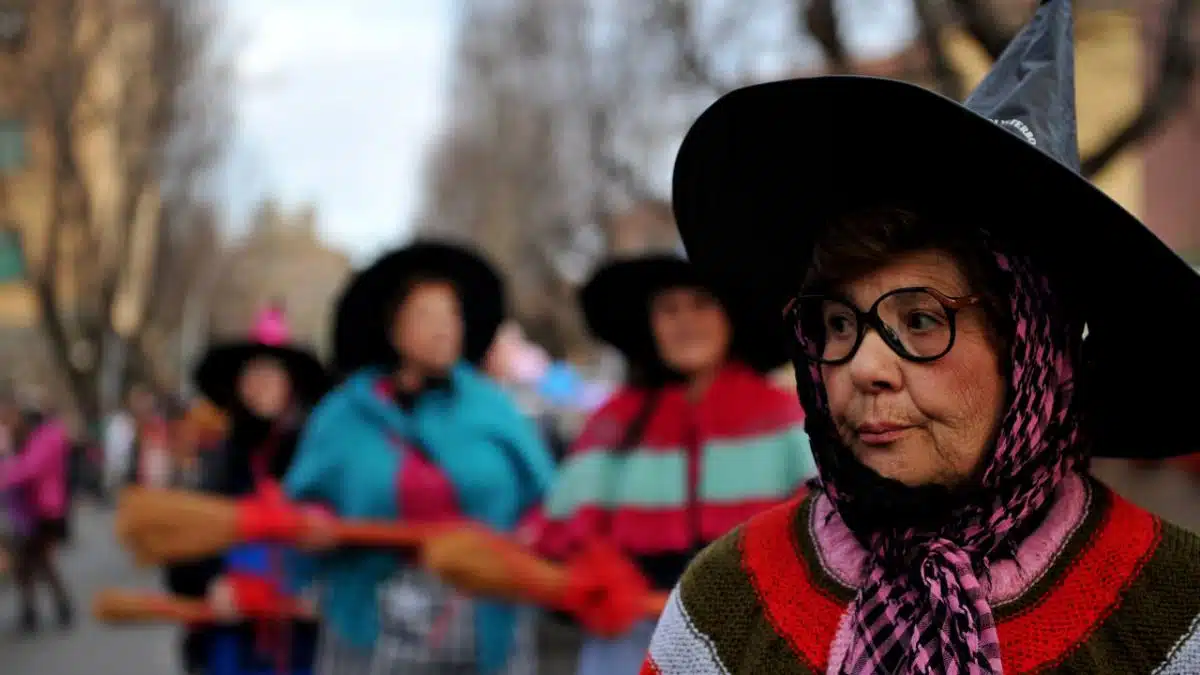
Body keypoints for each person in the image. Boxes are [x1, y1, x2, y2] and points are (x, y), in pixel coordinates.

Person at [640, 1, 1200, 673]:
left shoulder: (1177, 612)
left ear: (1031, 354)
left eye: (921, 320)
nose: (864, 366)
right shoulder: (724, 604)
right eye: (838, 323)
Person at [284, 240, 557, 675]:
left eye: (452, 316)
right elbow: (303, 501)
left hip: (482, 609)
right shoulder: (344, 414)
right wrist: (312, 525)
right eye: (426, 315)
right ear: (393, 328)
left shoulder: (492, 408)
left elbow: (544, 497)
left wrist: (531, 535)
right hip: (371, 617)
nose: (444, 329)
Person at [535, 252, 815, 675]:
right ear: (650, 324)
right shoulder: (612, 423)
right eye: (669, 309)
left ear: (730, 316)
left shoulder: (783, 418)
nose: (686, 322)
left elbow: (819, 535)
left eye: (701, 304)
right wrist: (594, 575)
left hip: (754, 638)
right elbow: (562, 538)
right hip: (629, 642)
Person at [168, 305, 330, 675]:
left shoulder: (316, 458)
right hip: (231, 635)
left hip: (302, 637)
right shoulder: (216, 461)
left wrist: (323, 589)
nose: (263, 384)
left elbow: (343, 534)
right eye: (254, 374)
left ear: (290, 384)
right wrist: (211, 583)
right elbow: (181, 547)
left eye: (273, 374)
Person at [0, 395, 73, 632]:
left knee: (34, 562)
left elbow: (30, 469)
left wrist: (5, 475)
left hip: (43, 510)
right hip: (34, 510)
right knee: (34, 562)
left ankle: (43, 610)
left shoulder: (46, 437)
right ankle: (46, 608)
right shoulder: (37, 437)